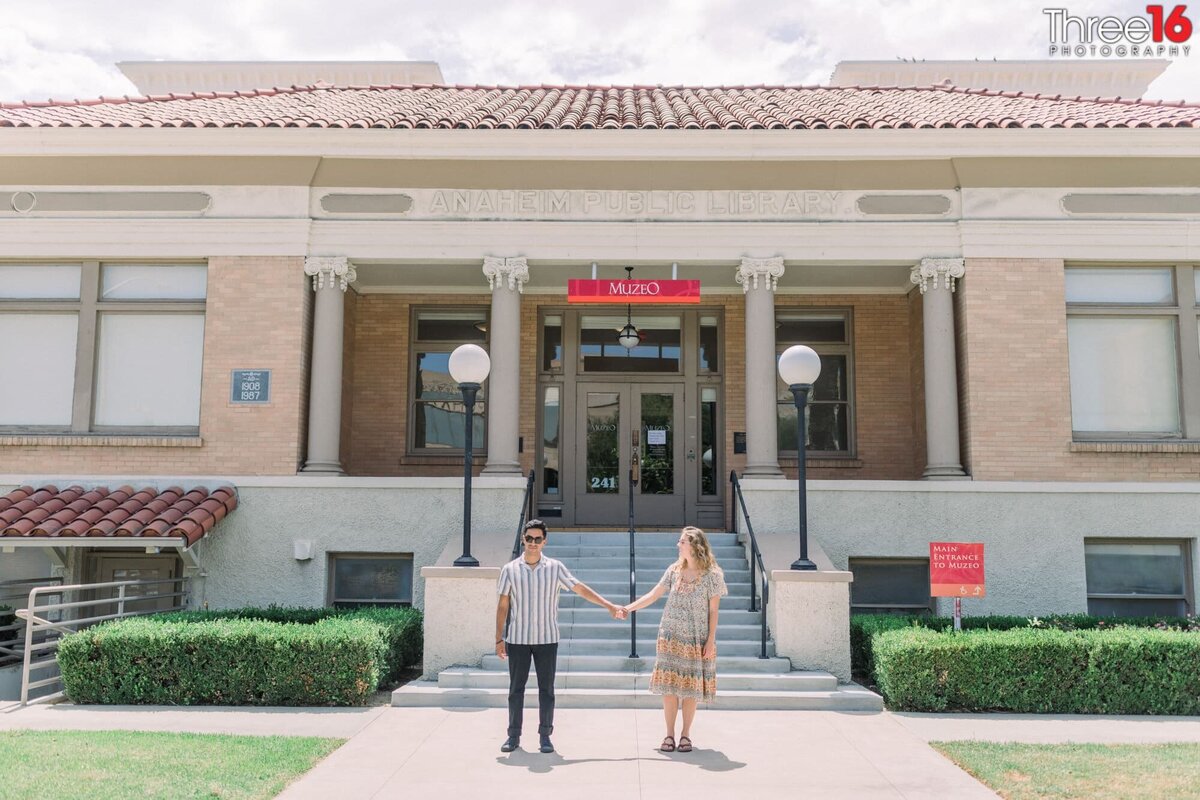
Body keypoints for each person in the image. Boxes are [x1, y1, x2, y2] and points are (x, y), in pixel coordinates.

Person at [496, 519, 626, 754]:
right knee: (516, 690)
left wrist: (607, 605)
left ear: (544, 541)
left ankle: (545, 736)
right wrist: (498, 639)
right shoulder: (510, 569)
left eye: (538, 539)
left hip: (547, 638)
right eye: (529, 539)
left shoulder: (555, 568)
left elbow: (580, 588)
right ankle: (513, 736)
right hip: (518, 640)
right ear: (523, 540)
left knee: (547, 690)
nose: (533, 543)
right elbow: (503, 606)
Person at [624, 526, 727, 753]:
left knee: (690, 689)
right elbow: (653, 595)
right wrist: (628, 608)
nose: (678, 545)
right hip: (669, 637)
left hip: (696, 638)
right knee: (669, 688)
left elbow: (713, 611)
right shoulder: (673, 571)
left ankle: (685, 735)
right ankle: (669, 735)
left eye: (682, 542)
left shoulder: (713, 575)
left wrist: (710, 641)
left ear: (694, 546)